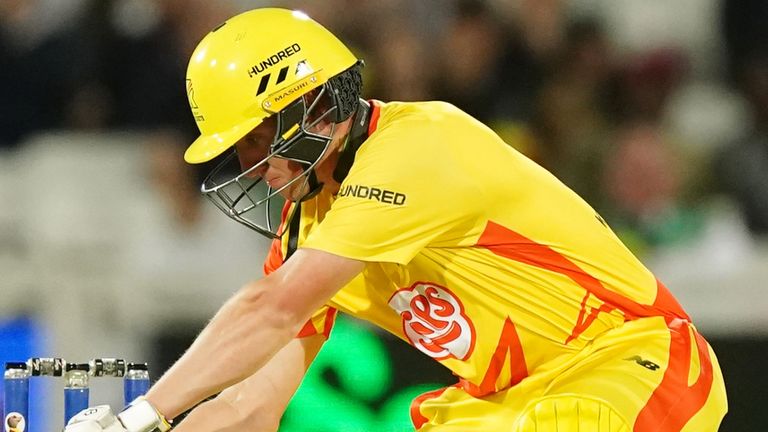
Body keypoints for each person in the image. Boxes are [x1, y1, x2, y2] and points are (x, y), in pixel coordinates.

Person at [64, 8, 727, 432]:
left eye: (257, 139)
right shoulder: (310, 221)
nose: (254, 167)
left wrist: (139, 415)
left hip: (631, 366)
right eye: (241, 149)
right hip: (514, 400)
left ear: (315, 107)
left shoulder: (417, 148)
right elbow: (250, 407)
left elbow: (271, 309)